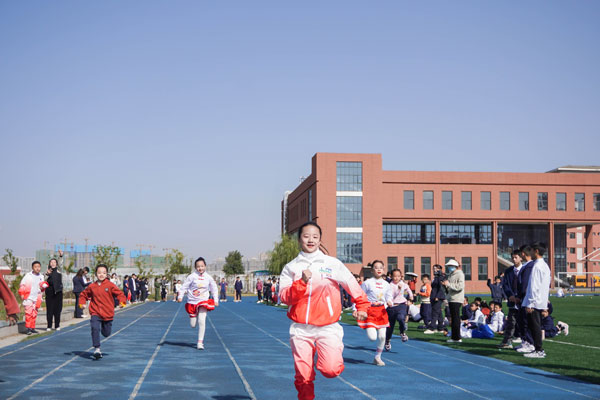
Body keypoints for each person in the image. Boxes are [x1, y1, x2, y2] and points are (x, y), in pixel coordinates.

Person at [279, 221, 369, 400]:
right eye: (306, 236)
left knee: (330, 370)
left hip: (328, 327)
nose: (310, 240)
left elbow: (351, 284)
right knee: (303, 376)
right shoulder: (292, 267)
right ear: (299, 240)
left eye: (315, 237)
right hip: (300, 329)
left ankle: (329, 356)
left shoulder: (332, 264)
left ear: (320, 240)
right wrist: (301, 283)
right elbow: (284, 297)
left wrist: (362, 306)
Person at [79, 264, 126, 359]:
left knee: (106, 333)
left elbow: (120, 294)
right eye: (99, 272)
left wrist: (122, 302)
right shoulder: (92, 286)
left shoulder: (110, 285)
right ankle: (97, 349)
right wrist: (82, 303)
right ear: (96, 274)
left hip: (107, 313)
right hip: (95, 312)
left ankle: (104, 331)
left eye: (104, 273)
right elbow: (83, 294)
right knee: (95, 328)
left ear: (107, 274)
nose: (101, 274)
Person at [178, 257, 219, 350]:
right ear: (195, 267)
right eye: (198, 266)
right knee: (193, 325)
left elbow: (214, 288)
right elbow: (184, 287)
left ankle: (200, 342)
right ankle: (193, 316)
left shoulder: (208, 277)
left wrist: (216, 300)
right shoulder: (192, 276)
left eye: (202, 266)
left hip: (203, 300)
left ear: (205, 266)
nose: (200, 268)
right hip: (192, 301)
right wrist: (180, 296)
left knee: (202, 320)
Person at [358, 260, 392, 366]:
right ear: (372, 270)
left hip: (382, 311)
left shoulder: (387, 284)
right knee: (372, 338)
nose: (379, 269)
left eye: (381, 267)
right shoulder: (367, 283)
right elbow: (360, 295)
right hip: (370, 311)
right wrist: (357, 309)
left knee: (382, 336)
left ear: (384, 269)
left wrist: (389, 302)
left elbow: (389, 297)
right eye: (376, 267)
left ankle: (377, 357)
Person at [521, 242, 551, 358]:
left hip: (534, 302)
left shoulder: (537, 266)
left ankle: (539, 349)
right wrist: (544, 305)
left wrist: (530, 303)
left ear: (536, 251)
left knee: (534, 326)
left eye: (532, 250)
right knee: (535, 326)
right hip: (540, 301)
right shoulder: (545, 266)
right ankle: (536, 348)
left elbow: (534, 286)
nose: (531, 253)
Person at [498, 249, 524, 349]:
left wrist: (519, 297)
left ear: (521, 258)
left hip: (522, 301)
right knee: (511, 322)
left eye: (516, 257)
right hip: (512, 301)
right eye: (512, 257)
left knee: (523, 322)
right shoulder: (508, 271)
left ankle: (526, 341)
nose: (514, 259)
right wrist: (510, 296)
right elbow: (505, 285)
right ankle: (507, 341)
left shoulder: (525, 270)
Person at [384, 268, 413, 350]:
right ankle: (387, 341)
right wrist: (398, 290)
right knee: (390, 326)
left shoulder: (403, 284)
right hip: (392, 307)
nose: (396, 278)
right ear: (391, 276)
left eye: (398, 276)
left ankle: (402, 332)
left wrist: (410, 297)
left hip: (401, 305)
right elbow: (391, 296)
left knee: (401, 318)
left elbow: (408, 291)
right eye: (395, 276)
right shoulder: (390, 286)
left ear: (401, 276)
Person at [18, 261, 49, 334]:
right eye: (36, 267)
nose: (37, 268)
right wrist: (22, 293)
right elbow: (22, 284)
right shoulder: (28, 276)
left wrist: (44, 287)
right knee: (28, 313)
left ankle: (32, 327)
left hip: (37, 297)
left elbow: (42, 287)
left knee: (34, 313)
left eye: (39, 267)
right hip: (29, 297)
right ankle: (28, 328)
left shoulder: (41, 276)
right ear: (32, 268)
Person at [442, 259, 465, 343]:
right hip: (451, 298)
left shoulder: (460, 274)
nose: (449, 268)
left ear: (455, 266)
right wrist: (445, 285)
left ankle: (457, 337)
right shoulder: (451, 275)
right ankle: (454, 337)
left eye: (450, 266)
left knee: (455, 318)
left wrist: (448, 284)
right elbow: (450, 288)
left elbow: (460, 286)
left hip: (457, 298)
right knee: (454, 318)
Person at [44, 252, 64, 331]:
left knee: (57, 310)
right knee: (49, 310)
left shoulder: (59, 270)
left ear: (56, 264)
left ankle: (57, 325)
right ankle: (49, 326)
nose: (52, 263)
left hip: (58, 292)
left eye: (54, 262)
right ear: (49, 264)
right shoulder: (47, 272)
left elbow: (61, 263)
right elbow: (43, 281)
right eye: (51, 262)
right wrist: (47, 274)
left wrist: (61, 256)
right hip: (49, 293)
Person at [425, 264, 446, 334]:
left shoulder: (441, 277)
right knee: (439, 313)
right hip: (433, 296)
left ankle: (432, 328)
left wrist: (438, 296)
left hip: (437, 297)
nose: (434, 270)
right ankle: (440, 328)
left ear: (439, 269)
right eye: (433, 268)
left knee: (435, 312)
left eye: (436, 268)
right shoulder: (435, 277)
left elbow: (441, 288)